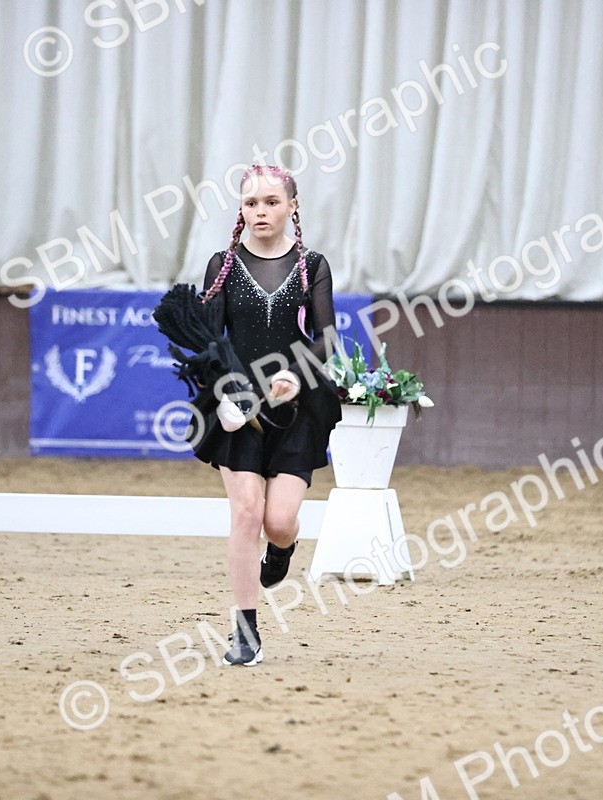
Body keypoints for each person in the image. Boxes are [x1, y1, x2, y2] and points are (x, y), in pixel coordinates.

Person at [189, 164, 341, 666]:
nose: (261, 211)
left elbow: (327, 338)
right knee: (247, 513)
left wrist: (297, 375)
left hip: (297, 403)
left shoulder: (311, 265)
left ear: (292, 207)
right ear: (241, 209)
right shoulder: (223, 265)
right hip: (240, 405)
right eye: (252, 203)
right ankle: (245, 630)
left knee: (278, 522)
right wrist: (226, 390)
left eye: (272, 202)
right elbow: (209, 340)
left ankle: (282, 550)